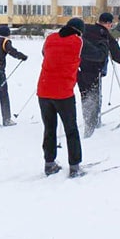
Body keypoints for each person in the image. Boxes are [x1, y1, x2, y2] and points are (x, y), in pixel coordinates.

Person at [37, 18, 85, 178]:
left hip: (43, 91)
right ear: (79, 31)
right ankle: (75, 167)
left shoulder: (50, 38)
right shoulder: (77, 42)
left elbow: (44, 53)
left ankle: (49, 164)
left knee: (49, 128)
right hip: (63, 92)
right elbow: (93, 55)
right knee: (71, 129)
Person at [78, 12, 120, 138]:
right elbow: (119, 58)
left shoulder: (85, 29)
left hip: (79, 69)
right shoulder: (106, 35)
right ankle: (91, 128)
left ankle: (89, 120)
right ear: (109, 24)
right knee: (94, 97)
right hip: (95, 71)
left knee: (85, 95)